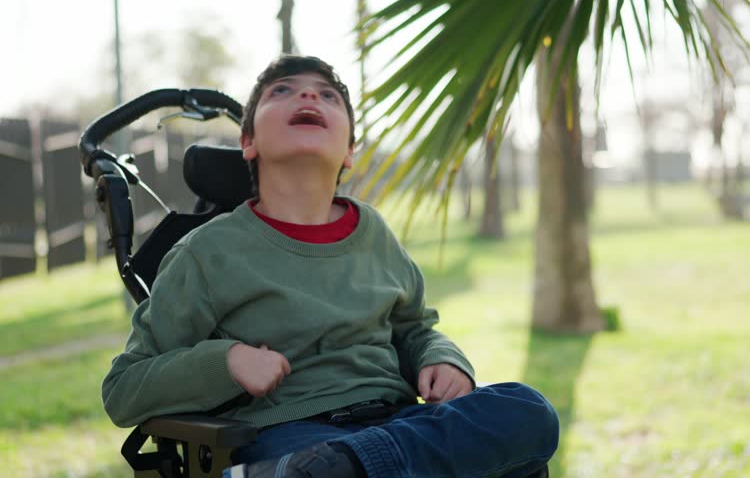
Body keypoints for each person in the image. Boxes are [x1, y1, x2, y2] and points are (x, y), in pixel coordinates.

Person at [102, 54, 559, 478]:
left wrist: (440, 358)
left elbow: (416, 329)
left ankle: (344, 469)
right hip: (290, 433)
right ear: (248, 142)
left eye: (328, 95)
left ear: (349, 153)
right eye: (282, 91)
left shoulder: (374, 234)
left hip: (397, 419)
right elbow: (123, 389)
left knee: (528, 408)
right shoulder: (207, 253)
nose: (307, 97)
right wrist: (226, 362)